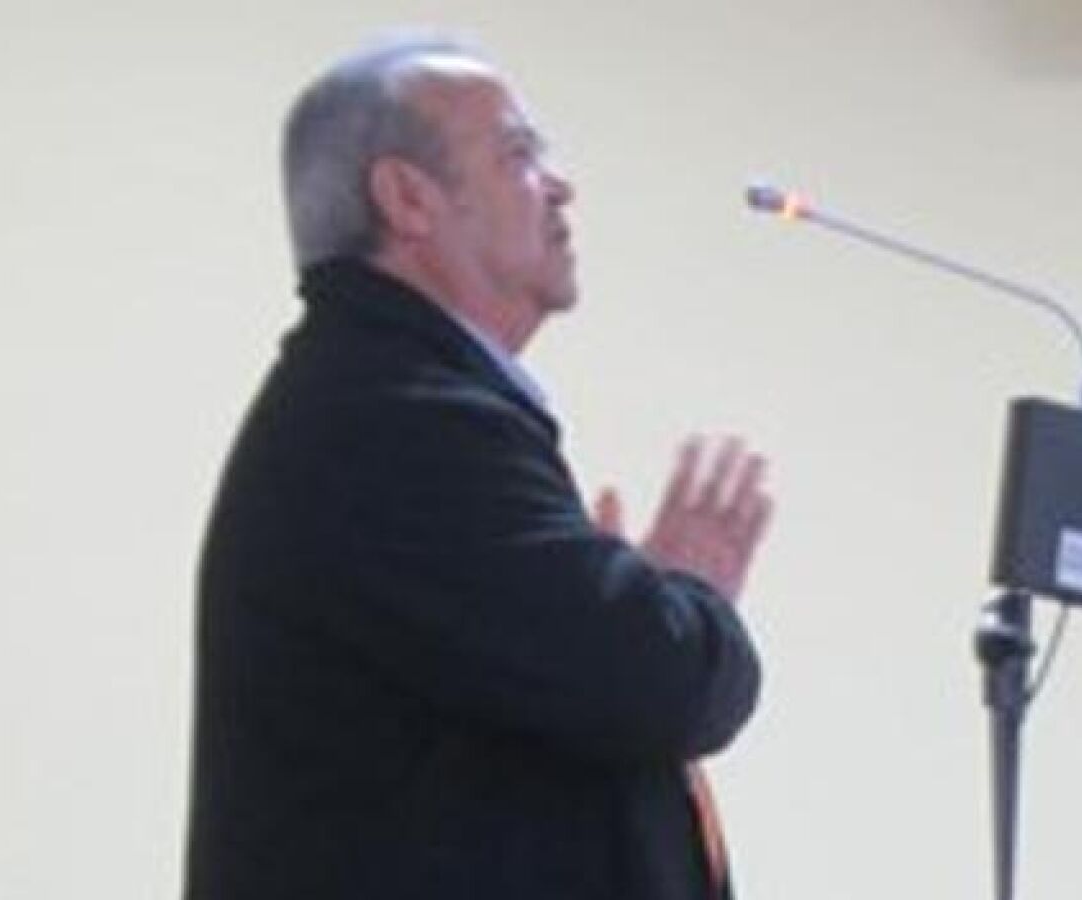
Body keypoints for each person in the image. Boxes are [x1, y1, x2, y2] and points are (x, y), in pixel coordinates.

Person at [183, 33, 772, 900]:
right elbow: (656, 686)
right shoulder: (396, 419)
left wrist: (631, 608)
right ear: (407, 197)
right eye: (519, 153)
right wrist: (688, 599)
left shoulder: (382, 398)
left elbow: (560, 708)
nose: (560, 185)